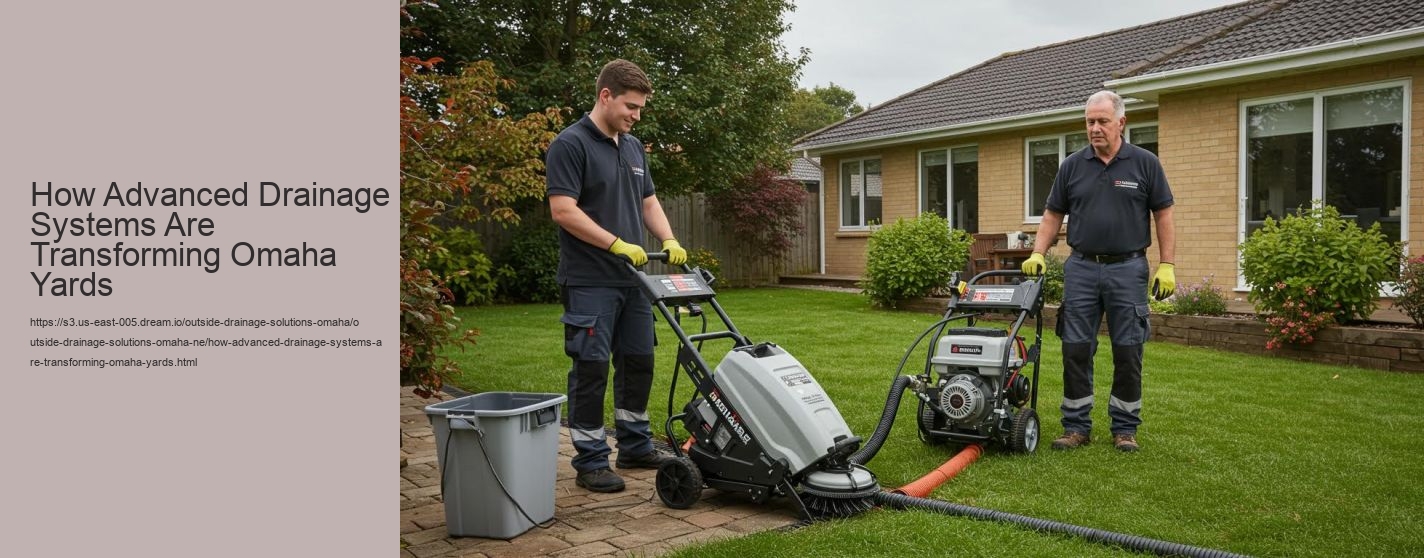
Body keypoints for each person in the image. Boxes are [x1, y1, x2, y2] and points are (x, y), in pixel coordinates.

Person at [547, 59, 687, 493]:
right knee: (590, 366)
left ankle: (634, 444)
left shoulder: (632, 146)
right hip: (590, 278)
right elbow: (563, 210)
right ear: (605, 96)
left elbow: (649, 202)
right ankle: (590, 459)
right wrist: (614, 243)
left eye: (641, 108)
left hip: (633, 280)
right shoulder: (570, 144)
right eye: (631, 106)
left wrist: (668, 239)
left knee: (639, 361)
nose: (636, 115)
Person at [1022, 90, 1176, 453]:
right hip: (1082, 269)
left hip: (1128, 268)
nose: (1094, 128)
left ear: (1121, 122)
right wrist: (1038, 251)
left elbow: (1164, 213)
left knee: (1128, 350)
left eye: (1102, 121)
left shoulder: (1145, 163)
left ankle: (1125, 428)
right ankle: (1075, 426)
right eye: (1089, 121)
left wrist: (1167, 264)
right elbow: (1053, 214)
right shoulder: (1072, 166)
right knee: (1075, 348)